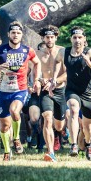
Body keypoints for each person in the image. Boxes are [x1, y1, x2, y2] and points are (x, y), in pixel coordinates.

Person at [0, 21, 41, 161]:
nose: (15, 35)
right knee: (4, 125)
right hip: (4, 91)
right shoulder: (0, 51)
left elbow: (37, 63)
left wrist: (36, 80)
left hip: (20, 90)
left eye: (18, 33)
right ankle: (6, 151)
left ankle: (16, 139)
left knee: (15, 111)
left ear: (21, 35)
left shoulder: (28, 50)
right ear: (8, 34)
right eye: (13, 33)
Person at [52, 26, 91, 160]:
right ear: (71, 39)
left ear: (84, 39)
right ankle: (74, 144)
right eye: (75, 37)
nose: (77, 40)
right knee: (73, 110)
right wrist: (54, 78)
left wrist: (89, 64)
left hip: (88, 93)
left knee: (87, 126)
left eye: (80, 37)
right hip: (72, 90)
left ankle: (88, 144)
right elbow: (57, 61)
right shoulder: (64, 52)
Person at [36, 25, 67, 162]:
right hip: (45, 91)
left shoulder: (62, 52)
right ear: (43, 38)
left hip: (60, 90)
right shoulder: (37, 54)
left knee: (59, 126)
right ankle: (50, 152)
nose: (49, 39)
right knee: (47, 119)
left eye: (52, 37)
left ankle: (58, 135)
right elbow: (33, 74)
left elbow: (67, 73)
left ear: (56, 38)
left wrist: (55, 81)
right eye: (47, 37)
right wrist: (37, 81)